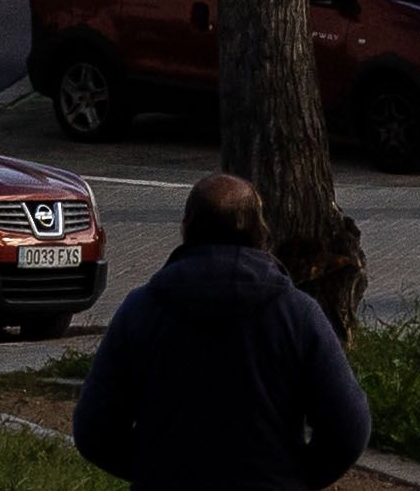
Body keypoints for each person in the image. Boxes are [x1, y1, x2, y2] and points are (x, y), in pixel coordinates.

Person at [74, 171, 372, 491]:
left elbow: (94, 430)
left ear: (186, 226)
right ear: (261, 231)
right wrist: (294, 477)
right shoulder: (297, 314)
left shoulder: (141, 310)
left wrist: (153, 469)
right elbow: (348, 428)